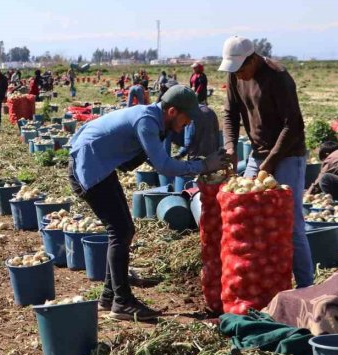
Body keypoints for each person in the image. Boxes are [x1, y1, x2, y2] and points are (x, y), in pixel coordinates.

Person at [68, 86, 227, 321]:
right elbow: (163, 166)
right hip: (89, 167)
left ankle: (110, 296)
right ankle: (122, 302)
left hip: (97, 163)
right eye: (187, 118)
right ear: (172, 111)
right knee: (119, 231)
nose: (188, 123)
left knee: (123, 230)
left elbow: (156, 159)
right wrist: (204, 166)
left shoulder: (154, 119)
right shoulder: (147, 121)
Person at [219, 35, 313, 288]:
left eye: (240, 69)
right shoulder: (235, 74)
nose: (237, 75)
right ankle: (261, 281)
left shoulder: (277, 77)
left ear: (253, 60)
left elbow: (294, 124)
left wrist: (271, 161)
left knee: (291, 223)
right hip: (257, 155)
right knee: (248, 217)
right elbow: (229, 113)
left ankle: (306, 288)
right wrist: (231, 146)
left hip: (287, 156)